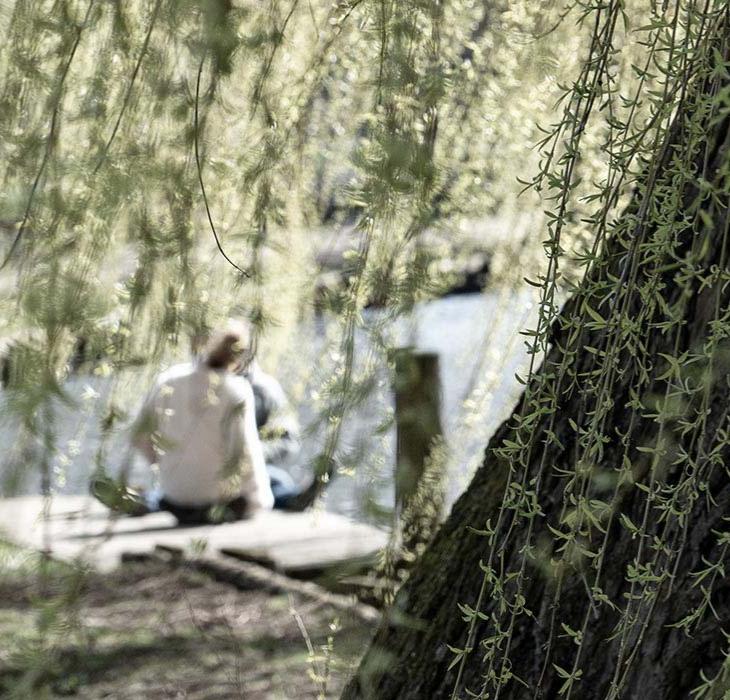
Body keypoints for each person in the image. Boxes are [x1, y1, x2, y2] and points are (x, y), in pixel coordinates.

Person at [92, 320, 274, 524]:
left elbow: (139, 435)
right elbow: (244, 454)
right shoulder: (236, 390)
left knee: (170, 492)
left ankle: (147, 500)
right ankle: (292, 496)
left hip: (175, 499)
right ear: (239, 359)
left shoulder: (168, 379)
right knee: (277, 481)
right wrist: (259, 503)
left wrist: (161, 462)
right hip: (218, 504)